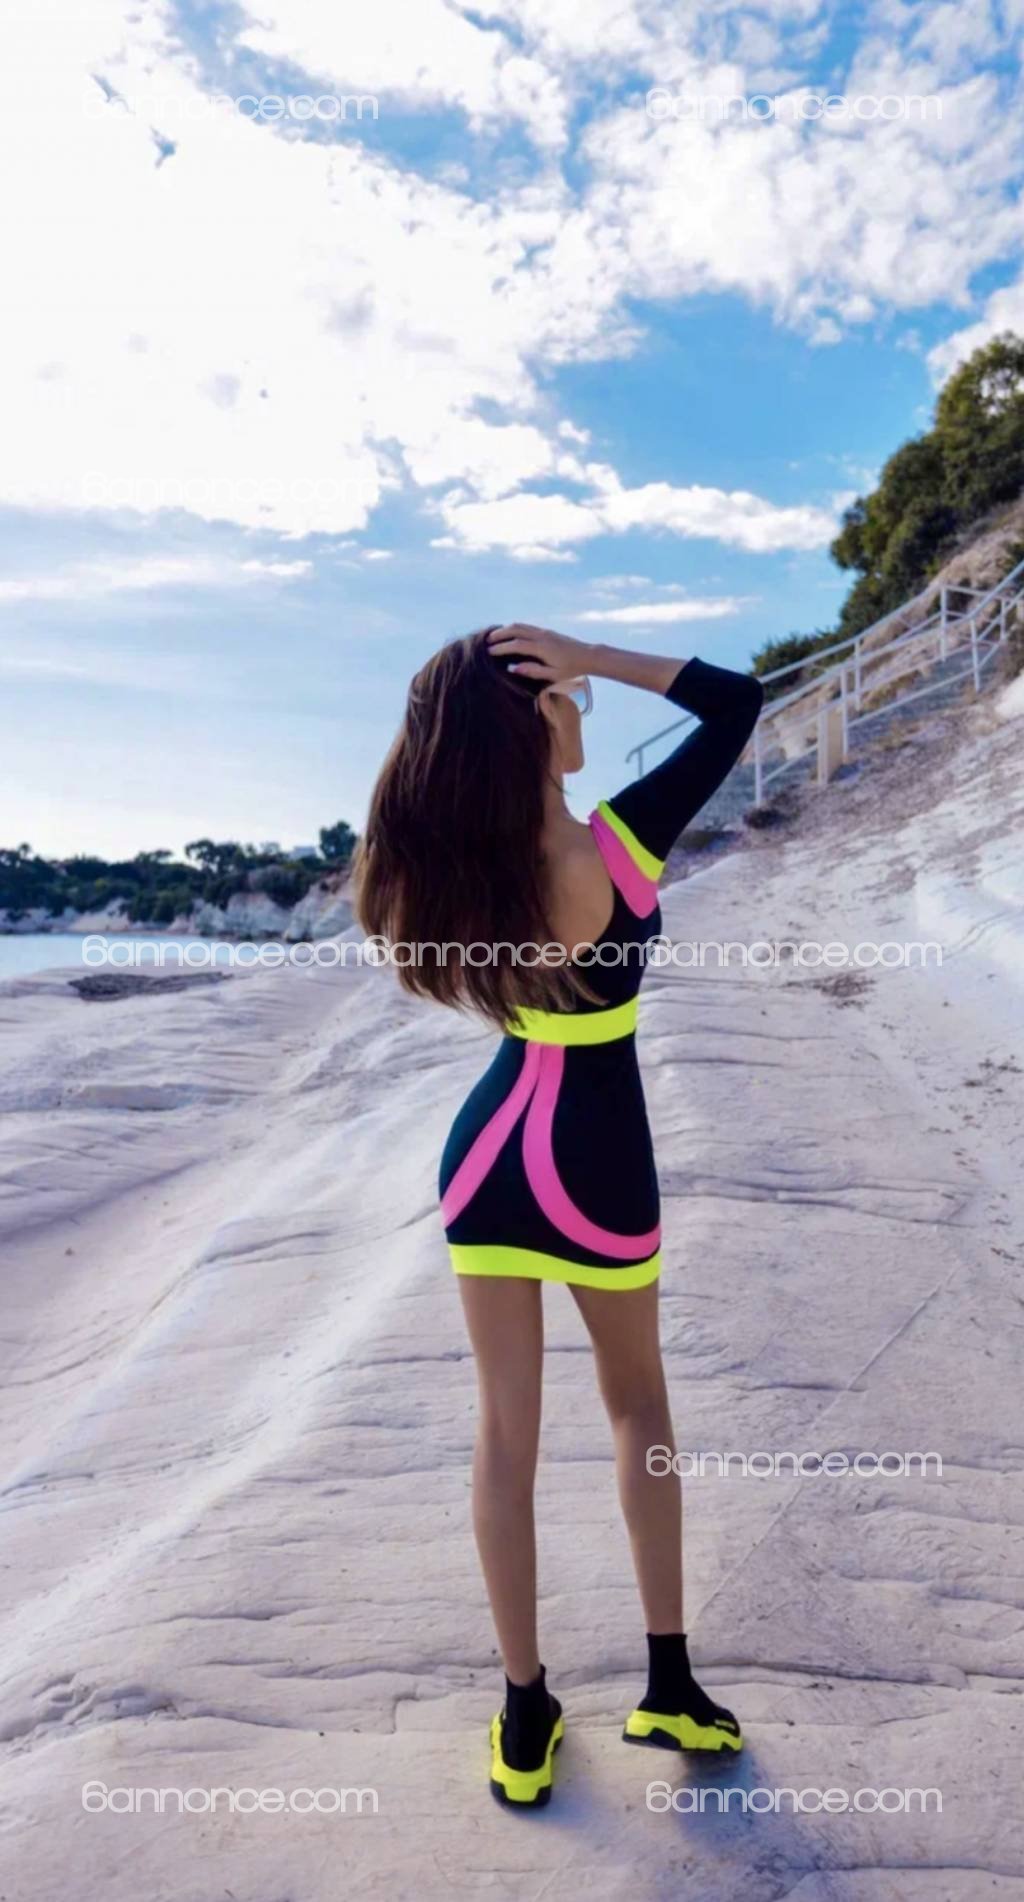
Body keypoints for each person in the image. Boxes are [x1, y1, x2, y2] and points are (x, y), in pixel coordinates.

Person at [355, 622, 764, 1808]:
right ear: (537, 716)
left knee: (505, 1434)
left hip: (488, 1150)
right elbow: (735, 703)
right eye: (569, 699)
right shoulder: (620, 841)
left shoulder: (460, 862)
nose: (581, 709)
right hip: (598, 1157)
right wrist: (590, 651)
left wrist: (540, 681)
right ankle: (667, 1686)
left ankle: (525, 1712)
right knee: (638, 1408)